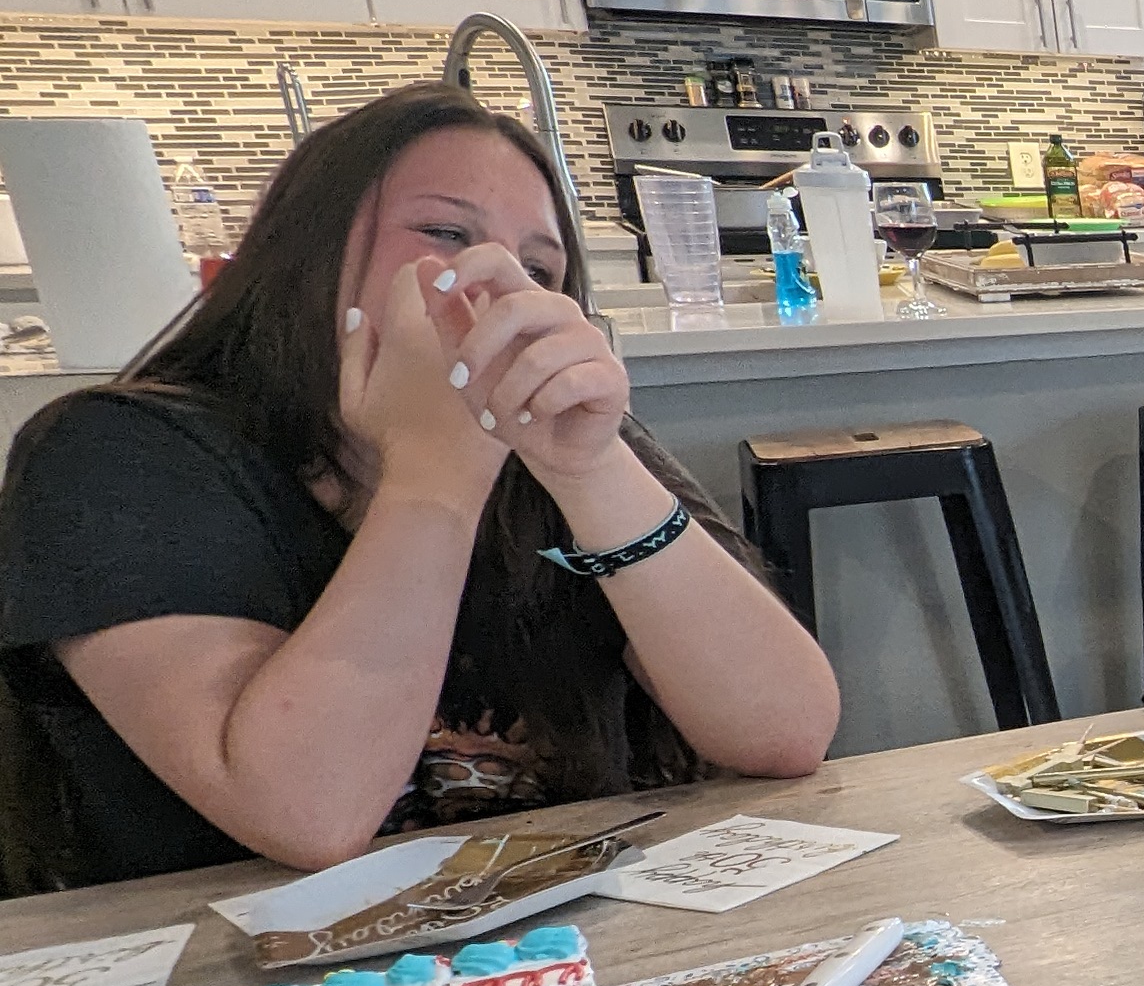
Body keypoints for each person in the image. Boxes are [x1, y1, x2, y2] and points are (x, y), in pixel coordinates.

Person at [0, 84, 839, 896]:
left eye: (538, 269)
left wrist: (589, 468)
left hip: (559, 948)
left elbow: (784, 730)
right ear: (307, 253)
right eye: (444, 232)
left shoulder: (556, 446)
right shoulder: (117, 454)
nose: (499, 285)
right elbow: (309, 813)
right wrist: (435, 475)